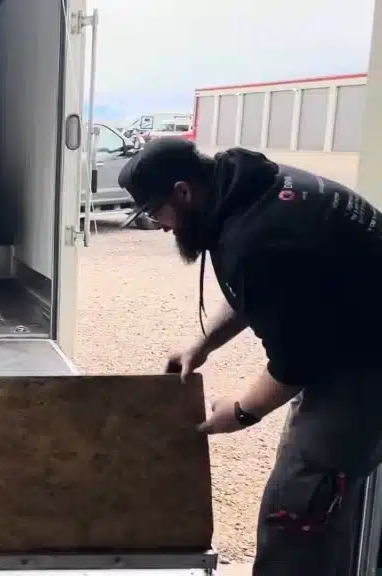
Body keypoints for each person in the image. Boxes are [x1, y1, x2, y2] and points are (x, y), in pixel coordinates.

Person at [117, 137, 382, 575]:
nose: (159, 226)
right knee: (324, 492)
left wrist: (241, 412)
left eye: (153, 211)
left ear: (183, 192)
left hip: (365, 365)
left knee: (298, 508)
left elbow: (297, 362)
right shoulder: (249, 189)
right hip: (347, 337)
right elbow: (260, 294)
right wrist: (200, 344)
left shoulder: (259, 238)